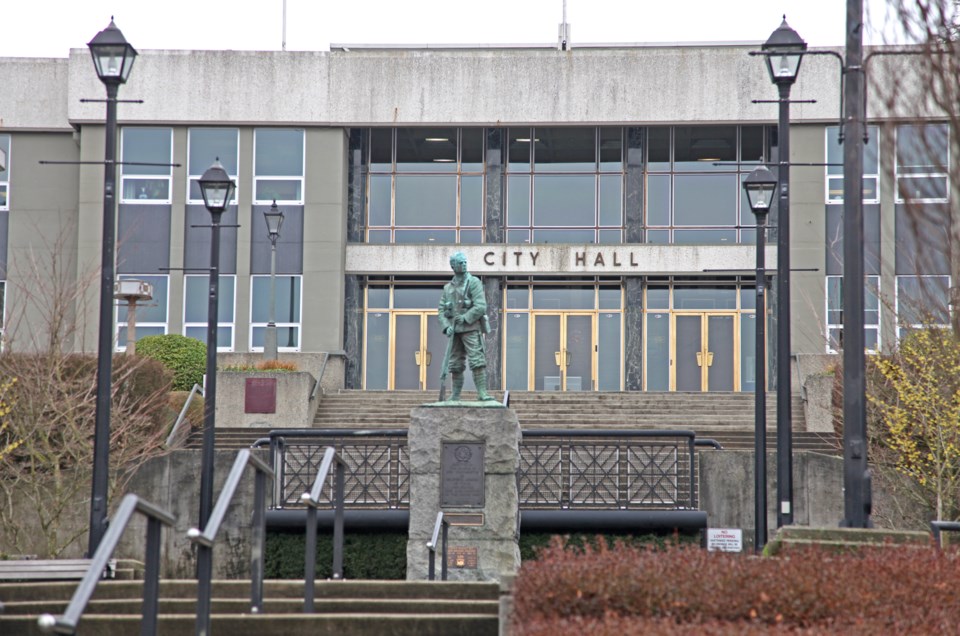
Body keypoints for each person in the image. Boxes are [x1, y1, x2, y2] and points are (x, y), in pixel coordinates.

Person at [438, 252, 494, 401]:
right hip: (454, 331)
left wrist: (465, 317)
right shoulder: (447, 288)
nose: (463, 264)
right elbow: (441, 311)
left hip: (471, 328)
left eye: (465, 262)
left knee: (477, 360)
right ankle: (455, 395)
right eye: (460, 262)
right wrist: (446, 327)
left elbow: (481, 306)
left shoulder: (473, 282)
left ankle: (482, 393)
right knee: (455, 364)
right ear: (453, 266)